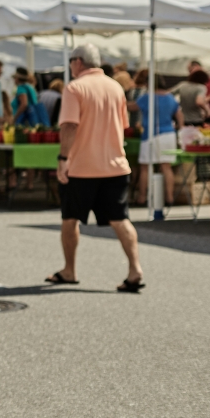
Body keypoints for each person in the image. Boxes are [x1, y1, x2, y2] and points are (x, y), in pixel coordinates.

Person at [49, 44, 144, 293]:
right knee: (120, 219)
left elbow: (69, 126)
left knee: (70, 219)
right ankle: (135, 269)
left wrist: (63, 158)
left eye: (70, 60)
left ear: (79, 62)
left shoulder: (75, 87)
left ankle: (69, 270)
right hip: (115, 165)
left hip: (82, 167)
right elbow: (122, 125)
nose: (70, 65)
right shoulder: (116, 87)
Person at [134, 74, 181, 205]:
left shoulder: (147, 97)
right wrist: (181, 129)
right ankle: (169, 198)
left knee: (145, 167)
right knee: (166, 167)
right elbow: (179, 115)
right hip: (169, 134)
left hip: (150, 134)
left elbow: (133, 107)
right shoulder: (171, 98)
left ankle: (142, 197)